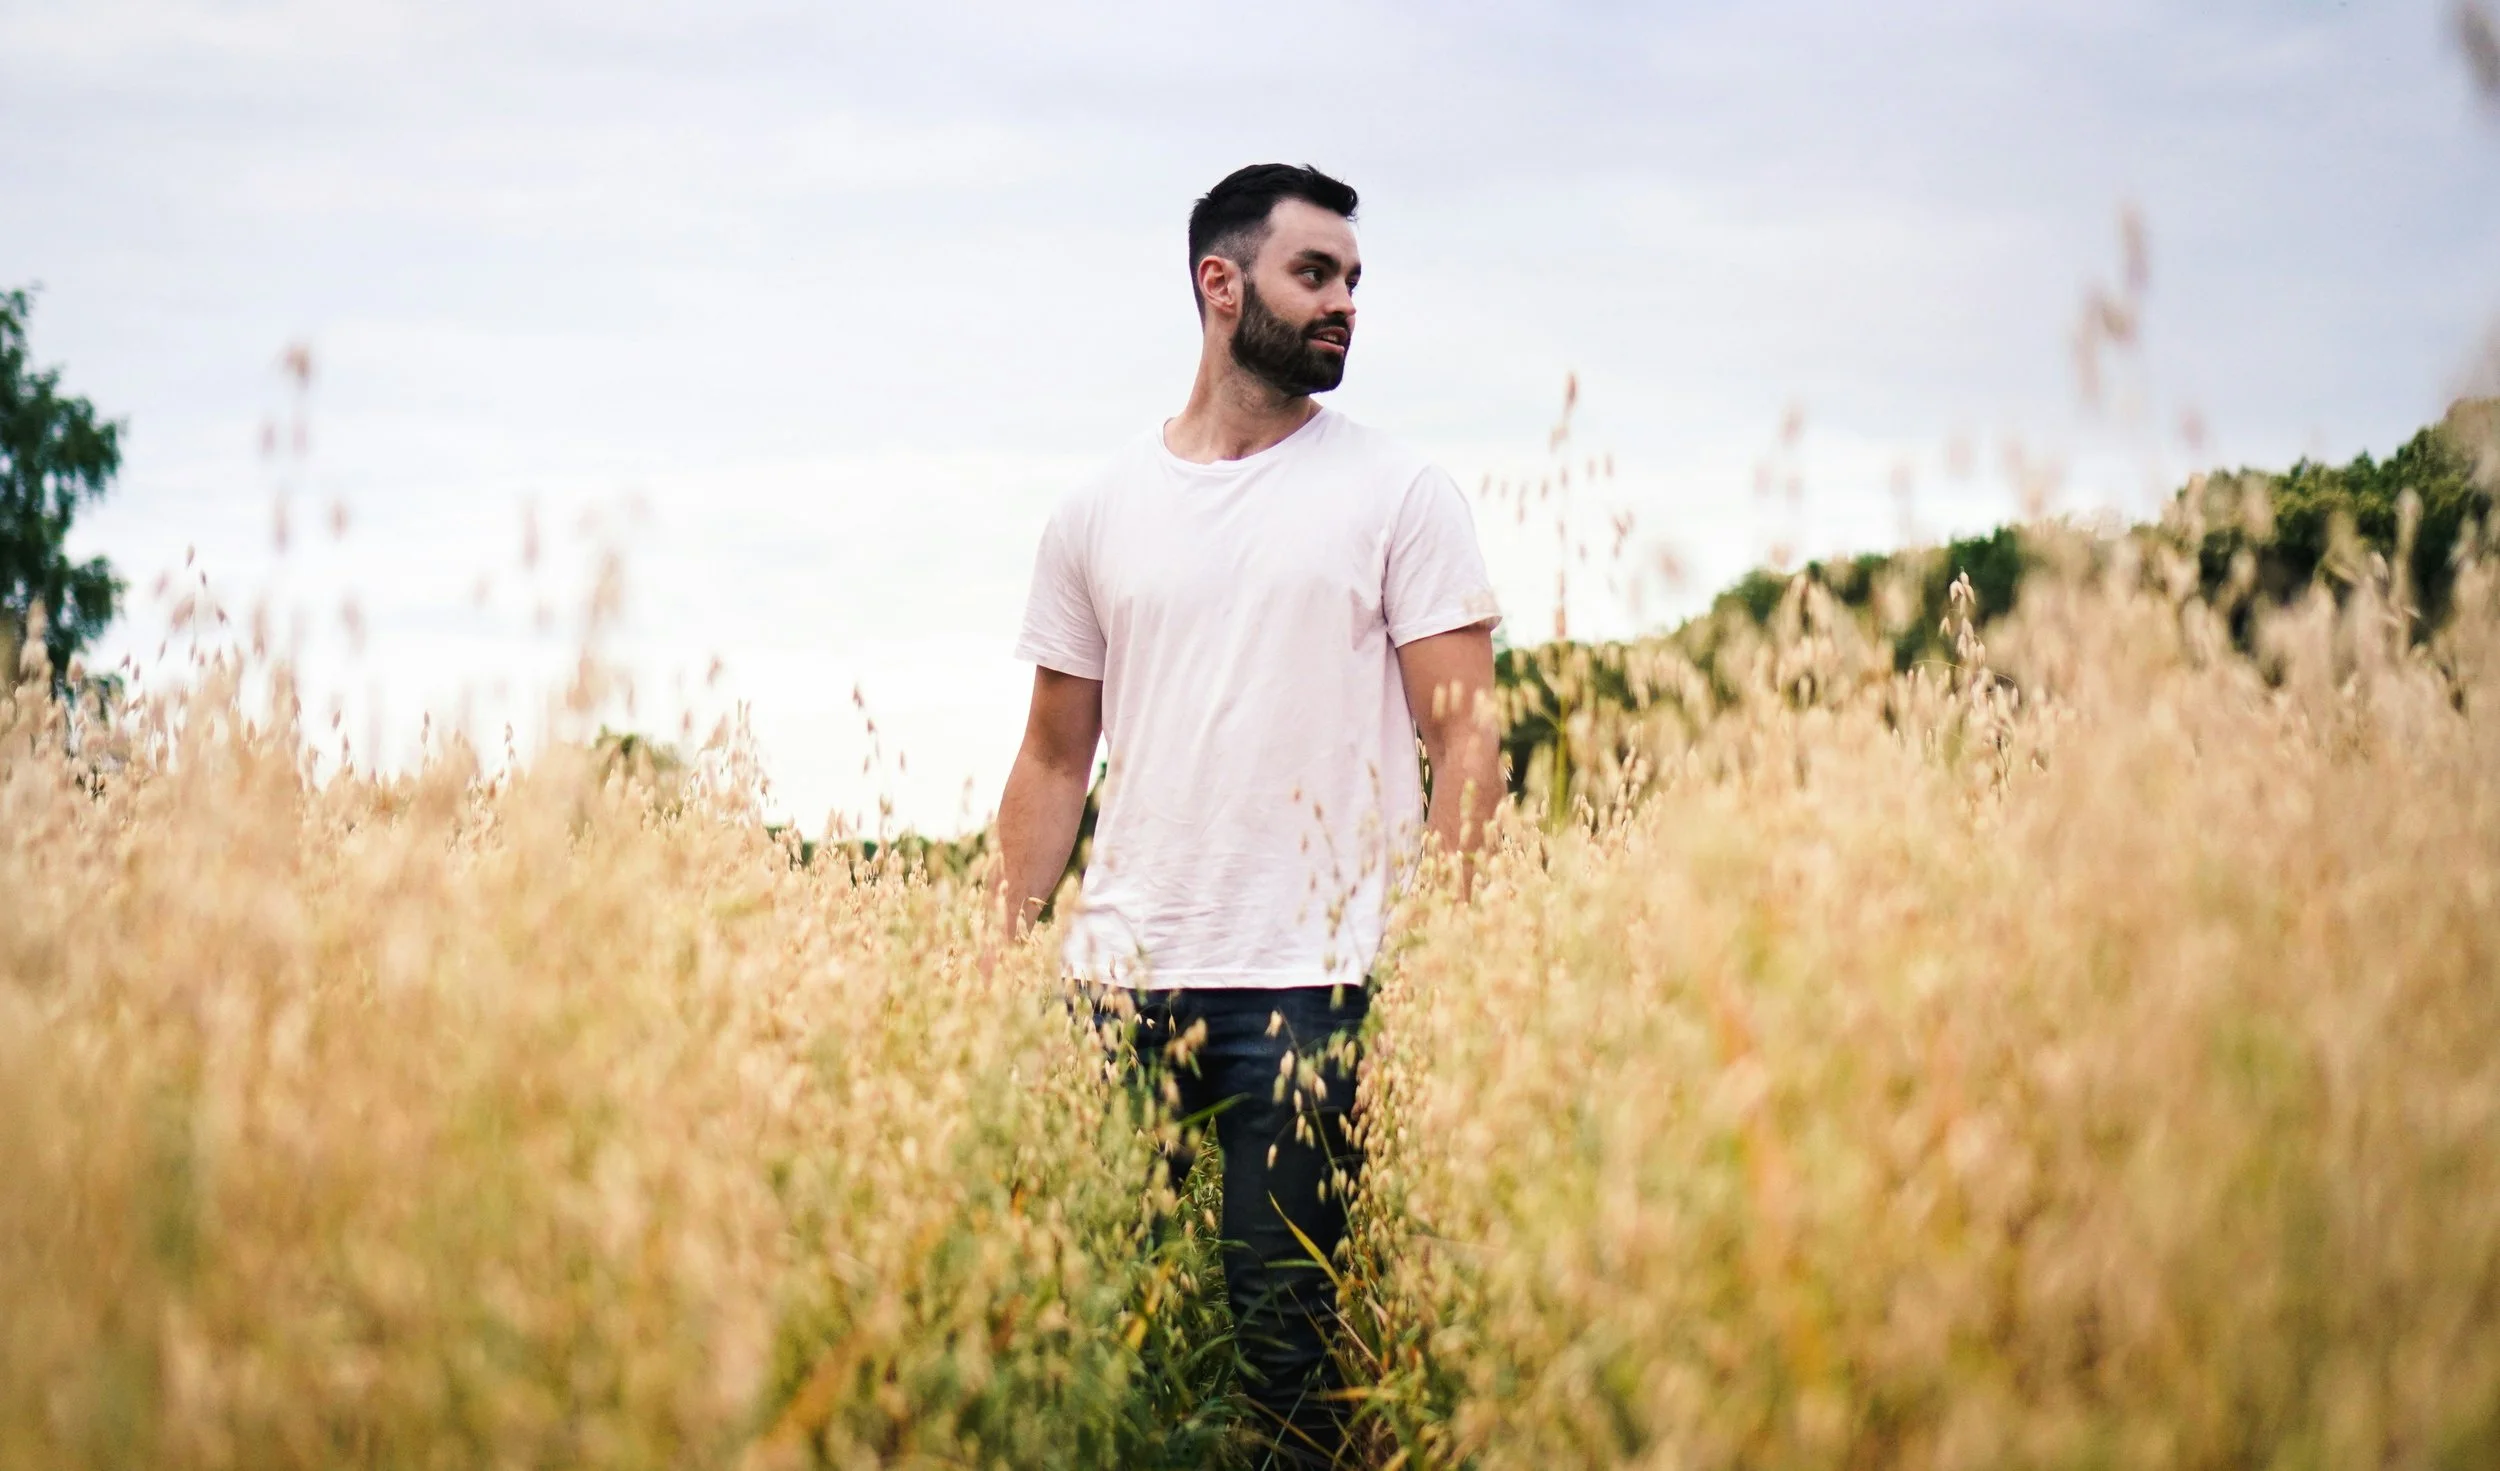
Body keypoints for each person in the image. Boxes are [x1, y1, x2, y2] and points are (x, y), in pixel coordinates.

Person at [993, 162, 1504, 1468]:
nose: (1343, 306)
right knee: (1071, 1325)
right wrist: (994, 956)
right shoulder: (1094, 513)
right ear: (1220, 287)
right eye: (1313, 275)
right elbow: (1057, 759)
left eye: (1352, 282)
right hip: (1117, 986)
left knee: (1287, 1358)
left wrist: (1441, 952)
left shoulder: (1402, 495)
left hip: (1312, 984)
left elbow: (1468, 739)